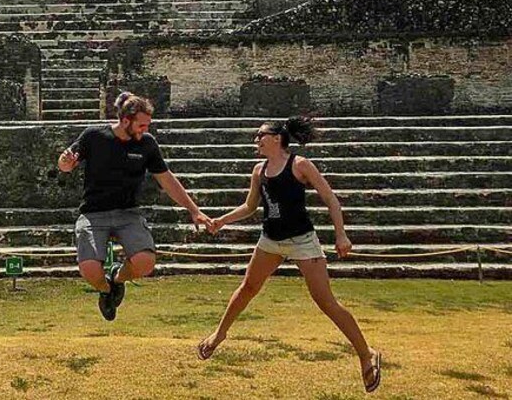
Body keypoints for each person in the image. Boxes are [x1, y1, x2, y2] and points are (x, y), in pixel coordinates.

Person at [197, 116, 381, 394]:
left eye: (260, 136)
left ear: (276, 138)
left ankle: (367, 354)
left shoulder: (300, 164)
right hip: (270, 240)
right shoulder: (258, 170)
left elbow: (331, 199)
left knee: (326, 301)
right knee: (247, 288)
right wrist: (221, 220)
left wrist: (341, 235)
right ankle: (219, 334)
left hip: (302, 241)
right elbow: (249, 206)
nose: (256, 140)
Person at [58, 91, 213, 321]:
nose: (145, 130)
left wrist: (194, 210)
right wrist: (65, 163)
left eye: (147, 125)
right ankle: (106, 290)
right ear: (125, 120)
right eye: (141, 125)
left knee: (145, 262)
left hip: (128, 213)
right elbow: (65, 165)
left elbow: (167, 180)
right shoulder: (94, 135)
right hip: (93, 214)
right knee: (90, 270)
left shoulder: (147, 144)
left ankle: (118, 279)